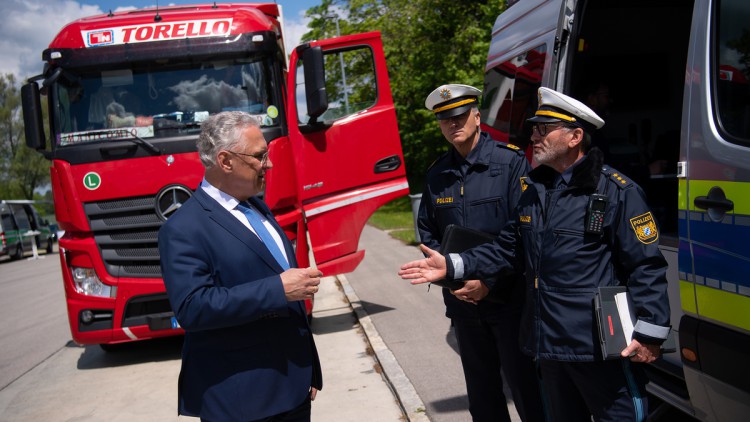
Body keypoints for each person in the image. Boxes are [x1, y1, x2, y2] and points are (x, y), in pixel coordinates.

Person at [400, 87, 671, 421]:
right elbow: (507, 249)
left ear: (575, 136)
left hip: (600, 349)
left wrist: (649, 334)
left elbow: (645, 266)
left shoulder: (615, 191)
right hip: (550, 347)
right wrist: (454, 265)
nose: (533, 135)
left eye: (543, 129)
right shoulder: (537, 192)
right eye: (534, 128)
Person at [158, 111, 323, 422]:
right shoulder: (183, 228)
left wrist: (307, 368)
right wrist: (277, 289)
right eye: (260, 156)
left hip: (292, 389)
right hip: (242, 402)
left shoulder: (256, 205)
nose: (269, 164)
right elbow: (193, 308)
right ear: (226, 161)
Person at [418, 84, 544, 422]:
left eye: (460, 116)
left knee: (527, 389)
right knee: (482, 394)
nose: (453, 124)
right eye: (445, 120)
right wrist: (456, 282)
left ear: (476, 116)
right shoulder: (437, 174)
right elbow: (429, 235)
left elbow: (522, 231)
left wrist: (486, 280)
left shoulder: (510, 162)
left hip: (508, 301)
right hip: (463, 304)